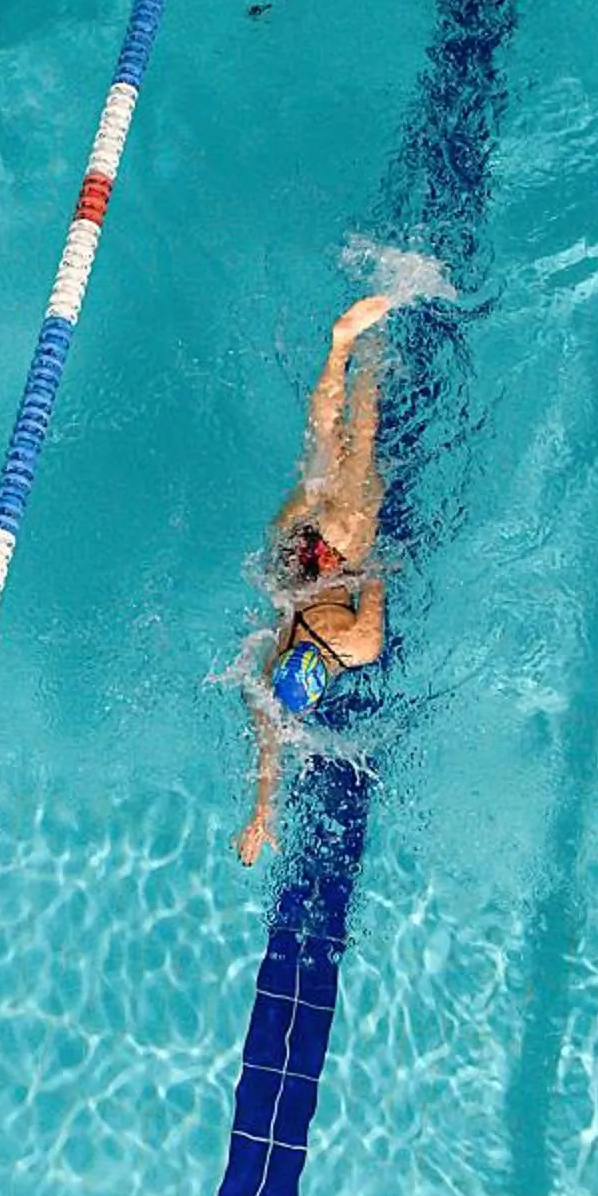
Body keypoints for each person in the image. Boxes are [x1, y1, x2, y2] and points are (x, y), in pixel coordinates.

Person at [236, 294, 395, 865]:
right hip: (289, 552)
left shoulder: (358, 645)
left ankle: (367, 354)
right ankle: (341, 350)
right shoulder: (270, 658)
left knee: (363, 452)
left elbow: (375, 578)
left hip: (339, 548)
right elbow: (268, 742)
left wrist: (367, 566)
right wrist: (260, 813)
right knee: (321, 452)